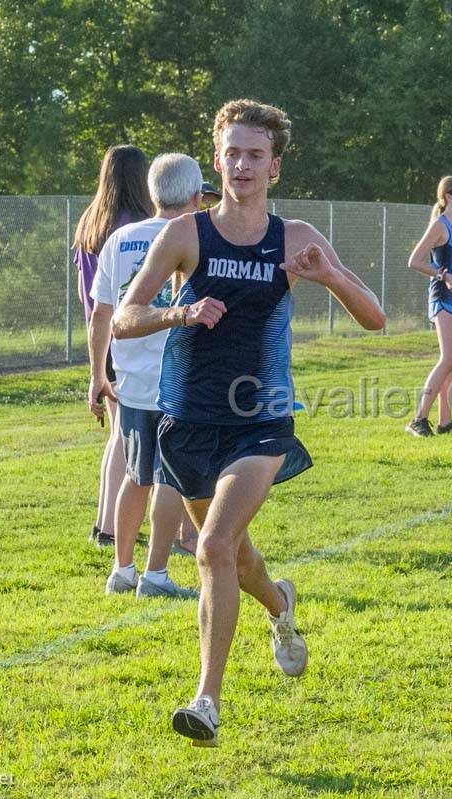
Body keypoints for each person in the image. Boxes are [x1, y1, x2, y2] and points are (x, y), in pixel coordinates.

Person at [112, 98, 385, 747]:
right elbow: (125, 317)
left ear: (275, 167)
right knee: (233, 553)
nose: (242, 164)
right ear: (216, 159)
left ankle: (206, 700)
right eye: (232, 152)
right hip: (189, 419)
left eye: (254, 155)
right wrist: (178, 313)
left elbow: (374, 316)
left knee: (210, 548)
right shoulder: (185, 235)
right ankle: (281, 605)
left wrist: (327, 280)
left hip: (260, 417)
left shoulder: (295, 238)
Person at [90, 153, 205, 599]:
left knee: (135, 477)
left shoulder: (120, 239)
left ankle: (122, 570)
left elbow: (102, 311)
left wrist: (98, 372)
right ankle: (156, 575)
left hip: (131, 376)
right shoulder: (192, 235)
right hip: (177, 377)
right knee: (171, 478)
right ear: (197, 197)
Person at [74, 145, 153, 547]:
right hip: (131, 337)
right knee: (128, 436)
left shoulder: (90, 222)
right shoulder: (137, 225)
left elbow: (86, 298)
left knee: (117, 435)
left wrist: (95, 363)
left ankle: (104, 523)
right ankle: (110, 528)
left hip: (100, 338)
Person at [405, 176, 452, 437]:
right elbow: (415, 261)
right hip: (444, 300)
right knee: (448, 359)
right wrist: (443, 276)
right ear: (448, 197)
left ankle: (446, 423)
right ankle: (418, 419)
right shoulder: (440, 225)